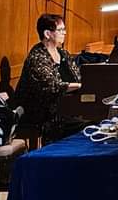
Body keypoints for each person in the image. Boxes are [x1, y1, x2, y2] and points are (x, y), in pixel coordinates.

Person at [15, 13, 82, 141]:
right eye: (61, 30)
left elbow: (78, 77)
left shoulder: (63, 53)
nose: (65, 33)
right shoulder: (37, 57)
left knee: (95, 115)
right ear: (47, 34)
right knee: (83, 125)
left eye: (64, 29)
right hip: (41, 112)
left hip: (65, 106)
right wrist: (79, 86)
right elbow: (52, 86)